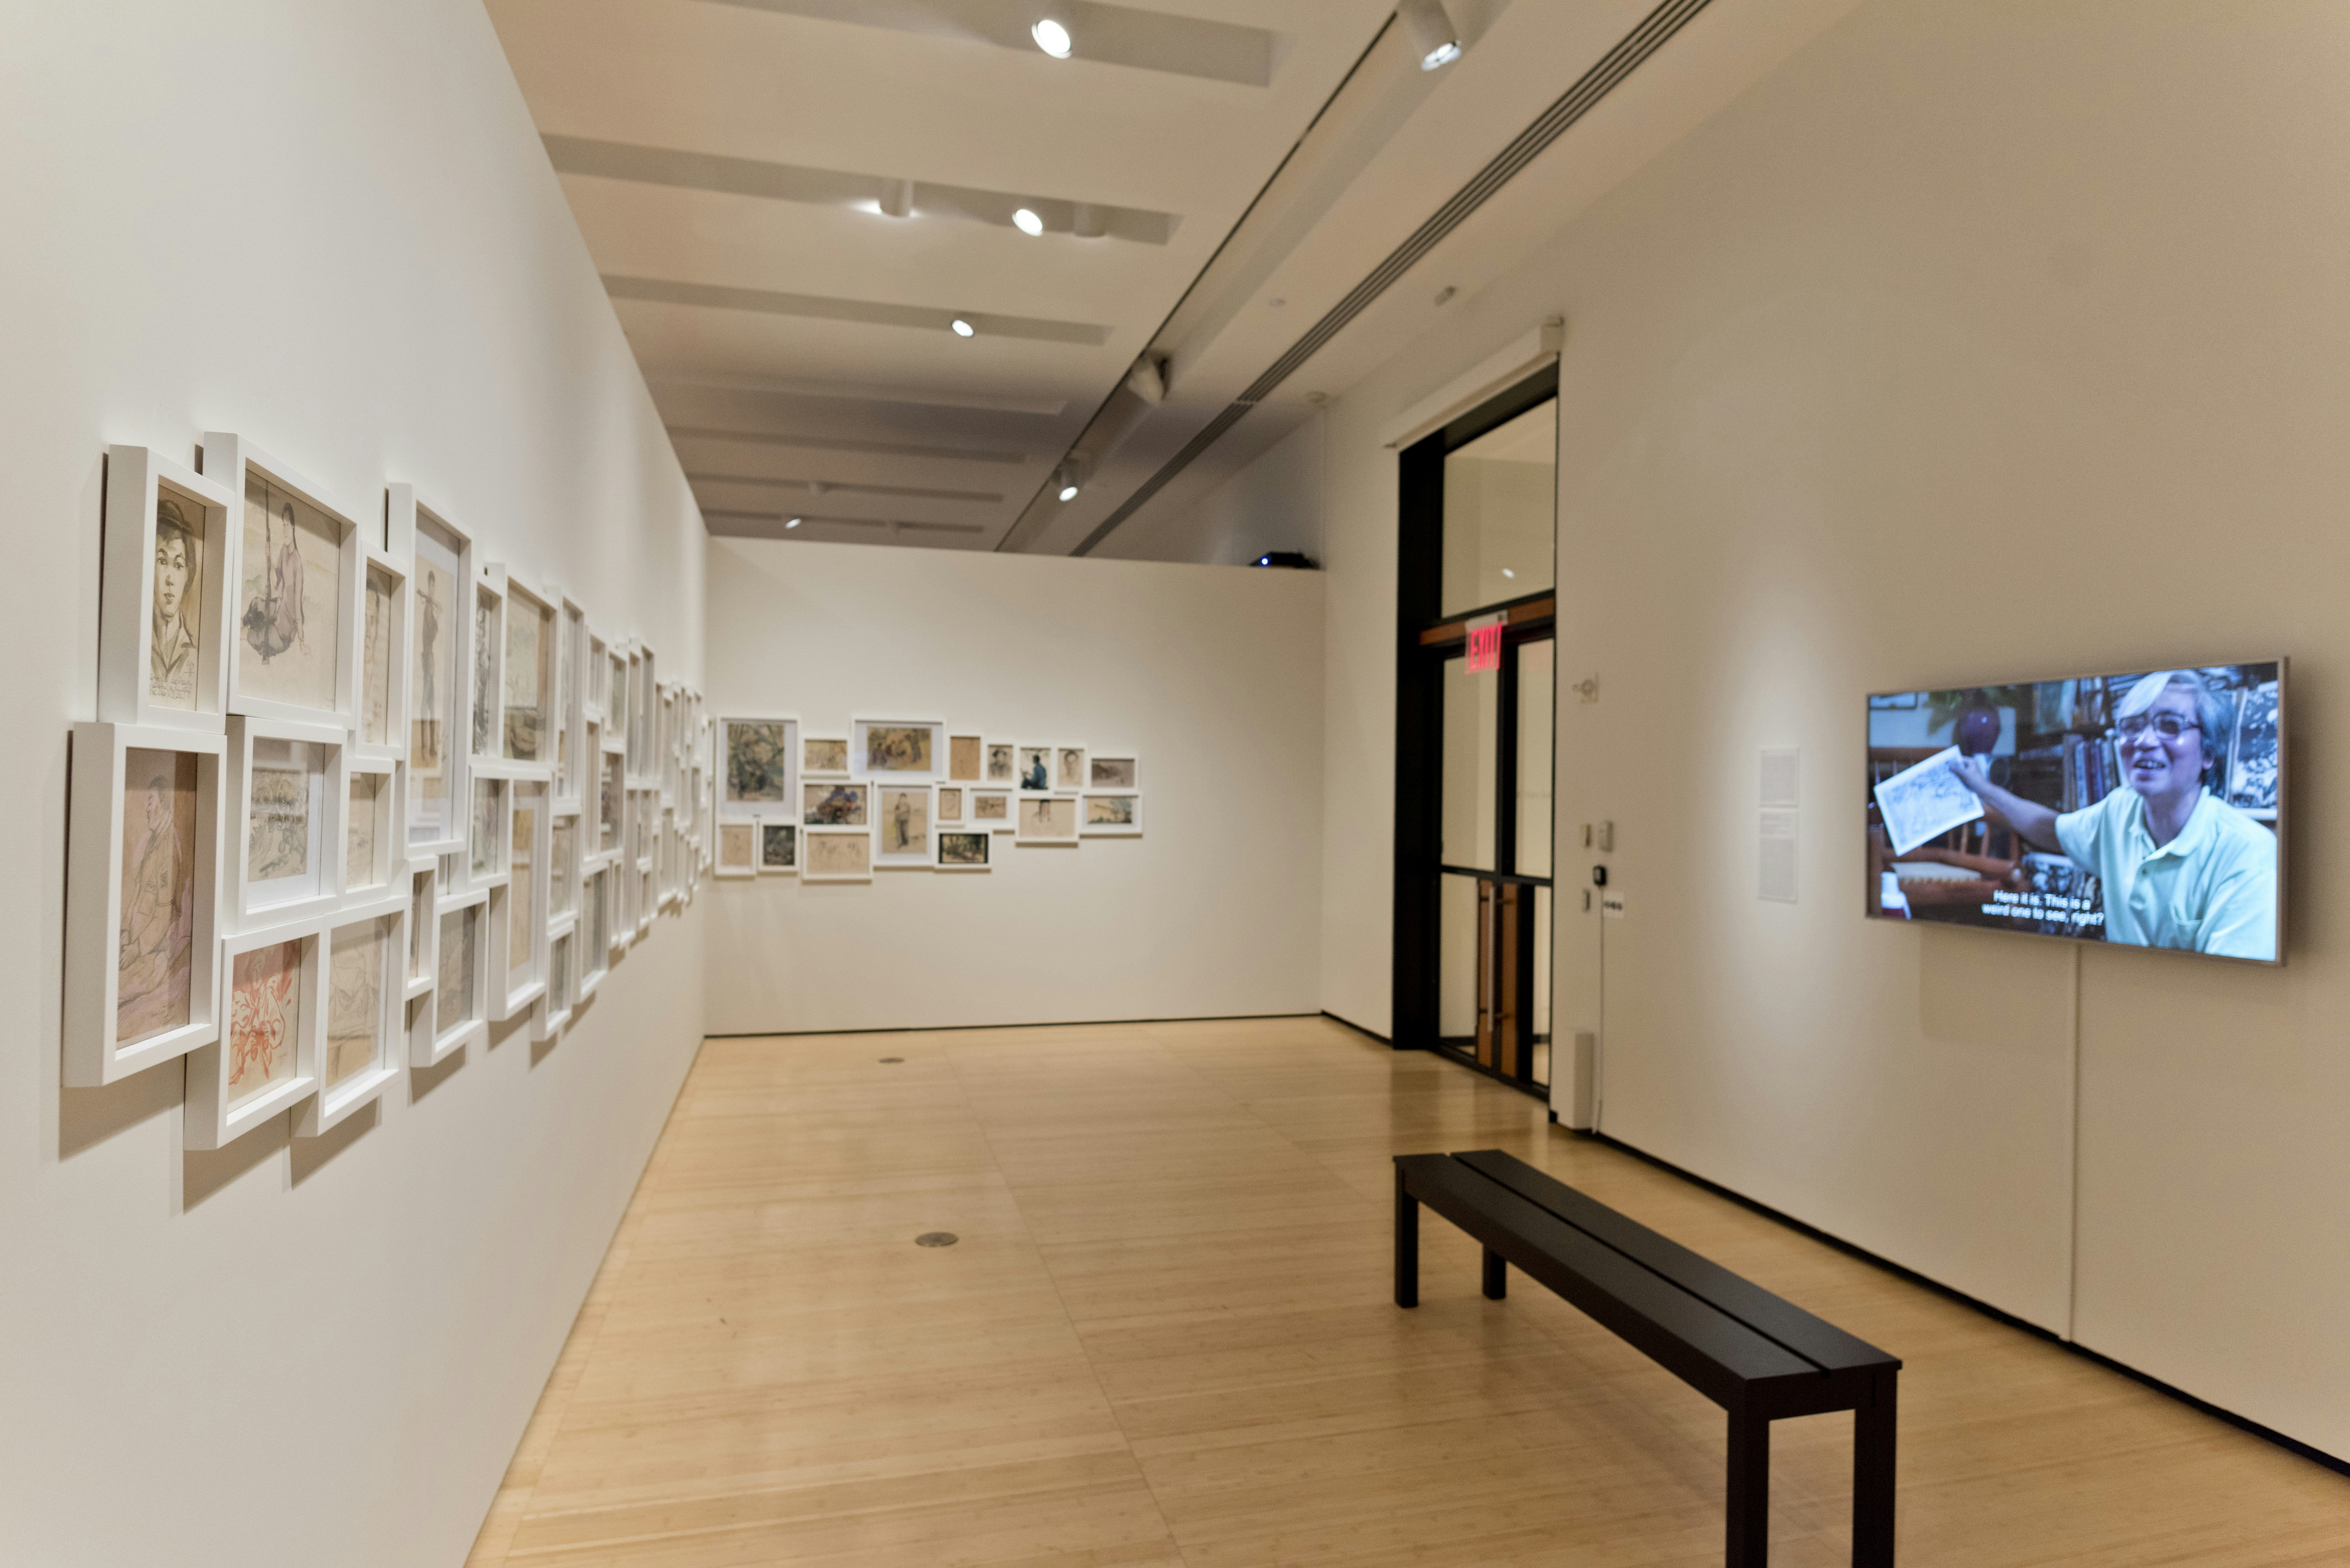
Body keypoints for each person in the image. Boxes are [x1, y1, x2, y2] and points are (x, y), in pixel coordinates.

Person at [1947, 670, 2277, 958]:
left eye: (2169, 725)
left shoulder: (2249, 853)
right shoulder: (2119, 808)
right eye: (2132, 727)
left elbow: (2228, 994)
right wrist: (1981, 787)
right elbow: (2050, 830)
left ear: (2208, 753)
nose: (2144, 741)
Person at [150, 501, 199, 704]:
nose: (170, 579)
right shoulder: (136, 644)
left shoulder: (195, 657)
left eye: (178, 565)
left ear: (188, 574)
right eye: (162, 562)